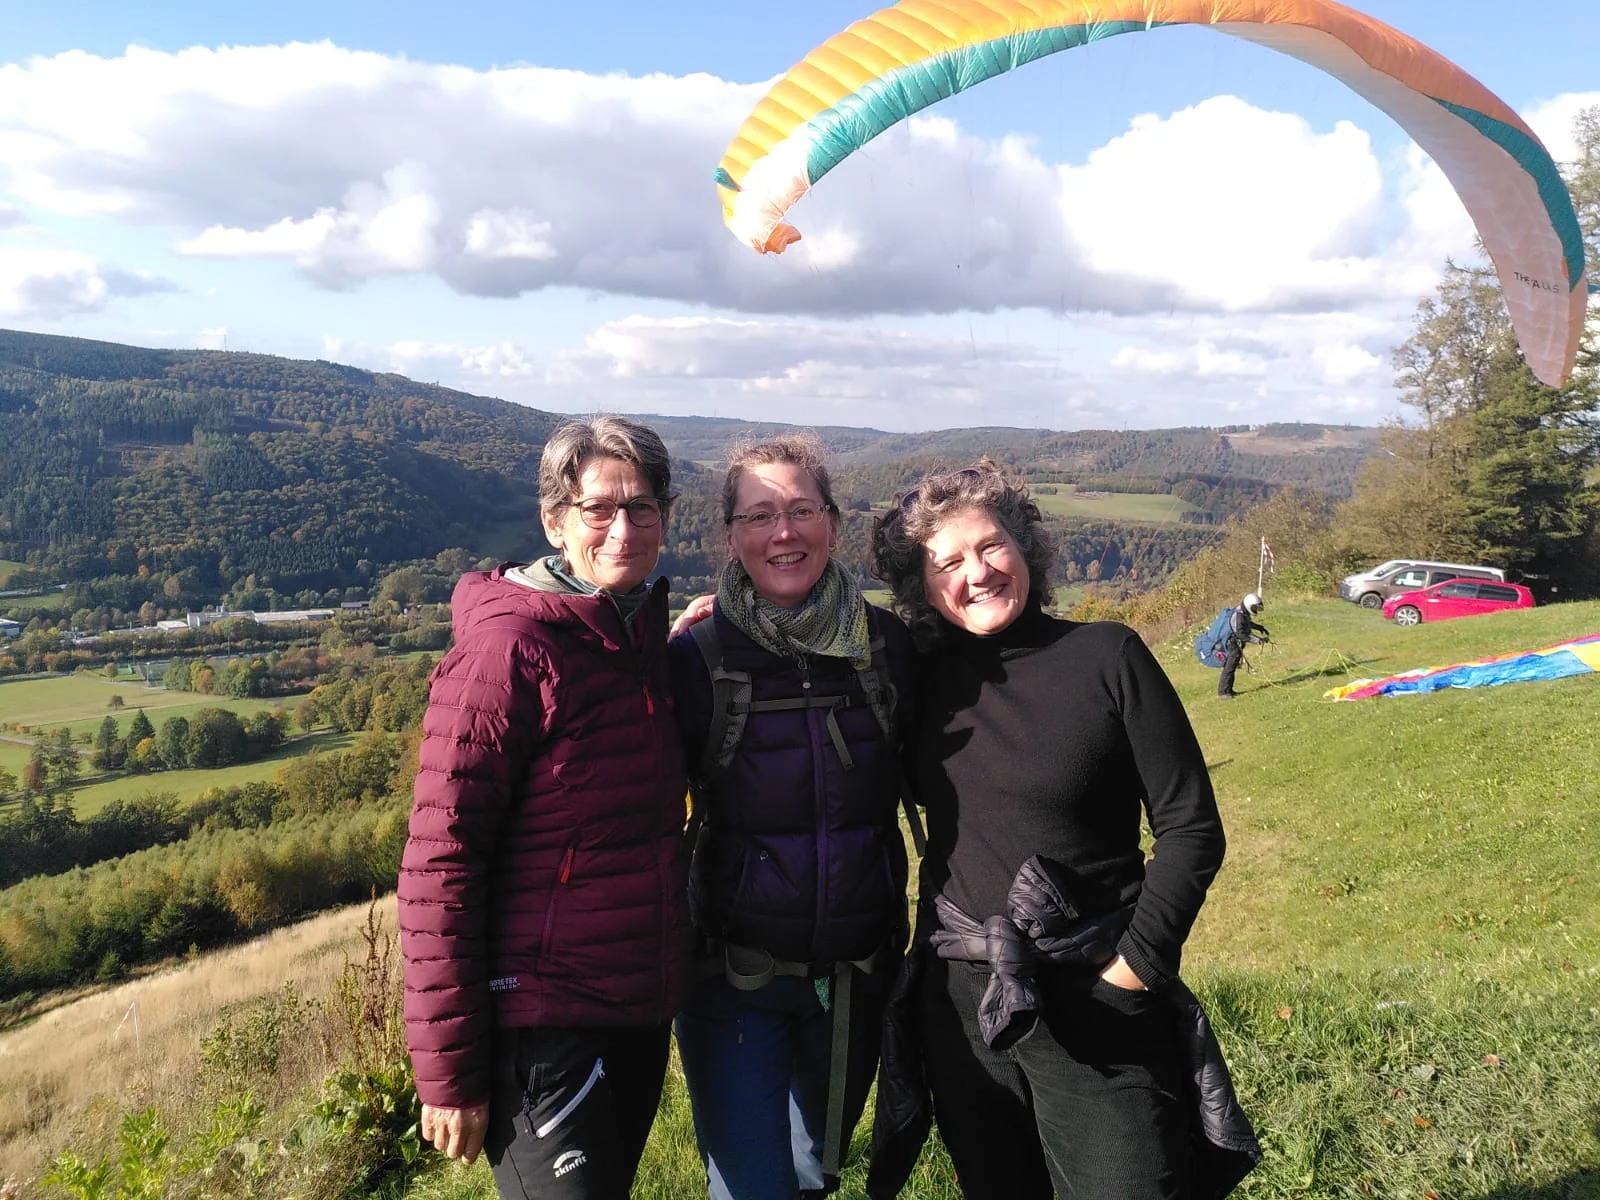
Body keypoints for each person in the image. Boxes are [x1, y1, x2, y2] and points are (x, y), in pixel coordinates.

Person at [865, 462, 1258, 1200]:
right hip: (960, 1004)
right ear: (921, 585)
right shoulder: (915, 681)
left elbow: (1191, 829)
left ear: (1026, 548)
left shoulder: (1107, 656)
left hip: (1097, 994)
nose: (976, 573)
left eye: (991, 547)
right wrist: (706, 622)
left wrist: (1132, 973)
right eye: (947, 561)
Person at [398, 416, 692, 1200]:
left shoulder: (635, 641)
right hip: (545, 1026)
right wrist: (449, 1073)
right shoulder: (508, 652)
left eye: (642, 508)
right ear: (555, 521)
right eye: (598, 508)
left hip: (632, 1007)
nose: (622, 528)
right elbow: (440, 862)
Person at [667, 434, 915, 1200]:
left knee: (816, 1178)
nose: (784, 533)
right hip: (733, 980)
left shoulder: (887, 648)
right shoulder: (696, 662)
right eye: (760, 515)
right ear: (731, 536)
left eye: (802, 509)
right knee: (750, 1189)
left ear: (833, 524)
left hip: (855, 979)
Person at [1217, 593, 1270, 700]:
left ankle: (1229, 690)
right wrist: (1258, 640)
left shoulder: (1242, 612)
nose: (1255, 610)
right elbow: (1241, 634)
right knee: (1229, 668)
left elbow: (1247, 623)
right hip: (1232, 645)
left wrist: (1259, 627)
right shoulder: (1239, 615)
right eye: (1254, 607)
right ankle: (1223, 692)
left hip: (1235, 644)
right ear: (1248, 605)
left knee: (1232, 667)